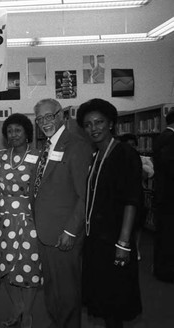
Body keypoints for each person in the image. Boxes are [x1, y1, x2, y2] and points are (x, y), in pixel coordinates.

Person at [77, 98, 142, 328]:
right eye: (88, 124)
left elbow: (131, 200)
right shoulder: (95, 156)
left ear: (111, 123)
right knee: (103, 300)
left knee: (116, 301)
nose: (93, 128)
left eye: (99, 122)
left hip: (115, 240)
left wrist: (124, 243)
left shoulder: (125, 154)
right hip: (96, 240)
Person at [31, 98, 93, 328]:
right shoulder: (46, 147)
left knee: (67, 291)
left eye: (49, 116)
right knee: (52, 288)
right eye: (40, 119)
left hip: (63, 233)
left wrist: (70, 230)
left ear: (61, 116)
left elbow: (84, 194)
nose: (45, 122)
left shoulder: (76, 144)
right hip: (45, 232)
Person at [0, 114, 42, 328]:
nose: (13, 134)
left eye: (18, 130)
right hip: (2, 219)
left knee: (29, 265)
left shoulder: (39, 156)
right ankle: (17, 307)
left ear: (27, 132)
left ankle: (29, 313)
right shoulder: (0, 157)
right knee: (5, 265)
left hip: (29, 218)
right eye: (10, 131)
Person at [119, 133, 154, 261]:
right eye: (128, 145)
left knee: (138, 224)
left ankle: (137, 248)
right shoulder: (117, 159)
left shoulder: (141, 160)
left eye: (133, 145)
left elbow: (147, 173)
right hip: (122, 199)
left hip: (138, 196)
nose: (131, 148)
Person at [152, 108, 174, 283]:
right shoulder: (171, 139)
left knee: (163, 235)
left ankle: (161, 268)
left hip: (161, 192)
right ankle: (166, 271)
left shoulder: (161, 137)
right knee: (168, 236)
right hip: (169, 195)